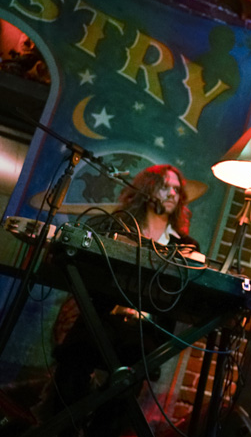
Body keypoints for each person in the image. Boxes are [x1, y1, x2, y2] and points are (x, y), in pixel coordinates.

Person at [45, 164, 199, 436]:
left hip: (144, 331)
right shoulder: (119, 226)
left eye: (177, 189)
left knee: (126, 384)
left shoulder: (185, 245)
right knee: (71, 369)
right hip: (103, 319)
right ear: (147, 189)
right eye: (165, 187)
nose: (172, 194)